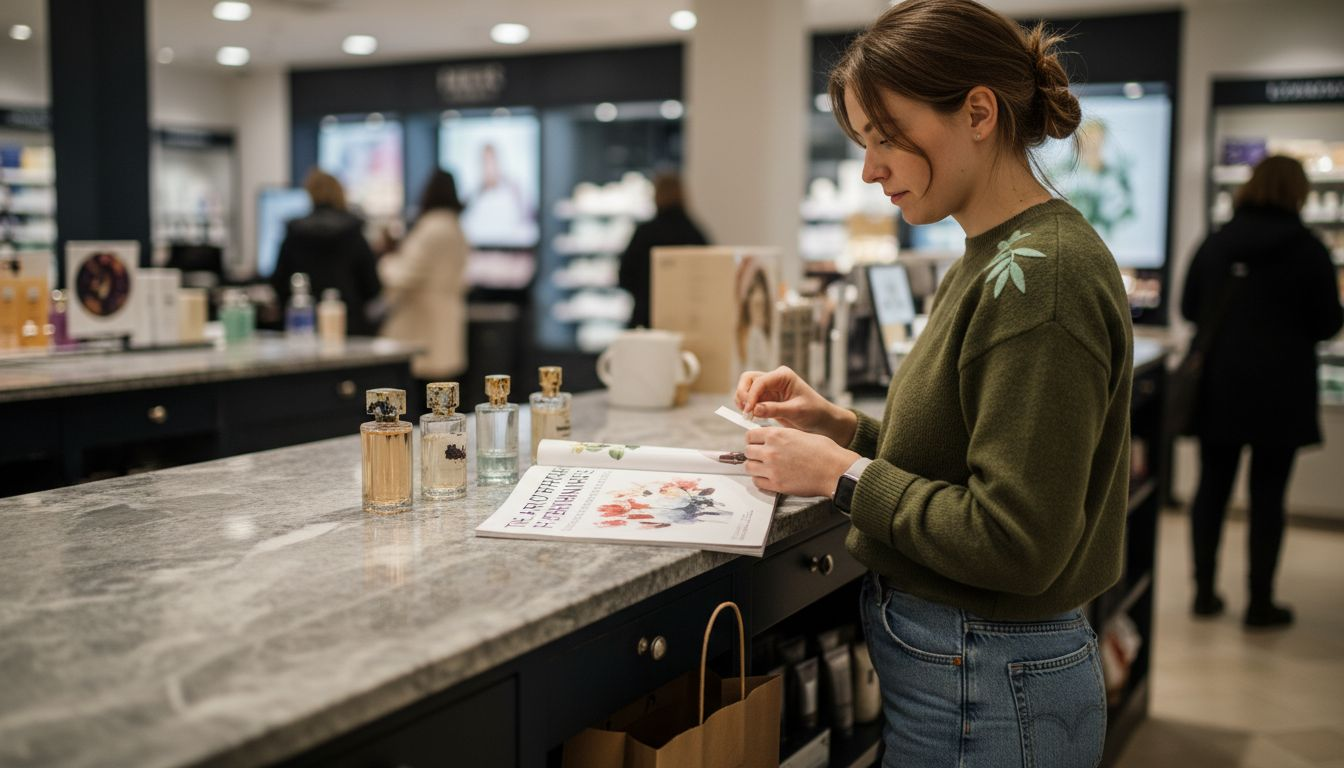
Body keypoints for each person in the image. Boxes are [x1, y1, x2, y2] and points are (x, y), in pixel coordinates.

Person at [735, 1, 1132, 764]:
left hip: (987, 676)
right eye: (864, 141)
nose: (869, 169)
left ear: (978, 112)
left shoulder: (1038, 276)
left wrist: (841, 474)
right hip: (972, 669)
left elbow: (1014, 540)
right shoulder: (996, 256)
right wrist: (841, 429)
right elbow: (968, 459)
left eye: (886, 136)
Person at [1180, 155, 1343, 628]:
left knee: (1212, 489)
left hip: (1220, 384)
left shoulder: (1218, 242)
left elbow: (1189, 308)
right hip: (1281, 389)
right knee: (1269, 497)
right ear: (1298, 192)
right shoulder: (1309, 250)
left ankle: (1204, 594)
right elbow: (1328, 323)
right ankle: (1260, 602)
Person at [378, 169, 471, 383]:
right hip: (447, 318)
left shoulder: (431, 228)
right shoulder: (456, 228)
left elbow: (406, 273)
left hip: (423, 323)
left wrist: (384, 262)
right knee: (444, 391)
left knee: (421, 392)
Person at [271, 169, 381, 336]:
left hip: (302, 328)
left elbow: (278, 283)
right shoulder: (354, 233)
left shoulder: (294, 234)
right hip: (350, 329)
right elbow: (372, 288)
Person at [617, 173, 709, 328]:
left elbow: (625, 276)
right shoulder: (693, 233)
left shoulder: (646, 232)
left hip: (646, 317)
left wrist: (647, 293)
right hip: (687, 320)